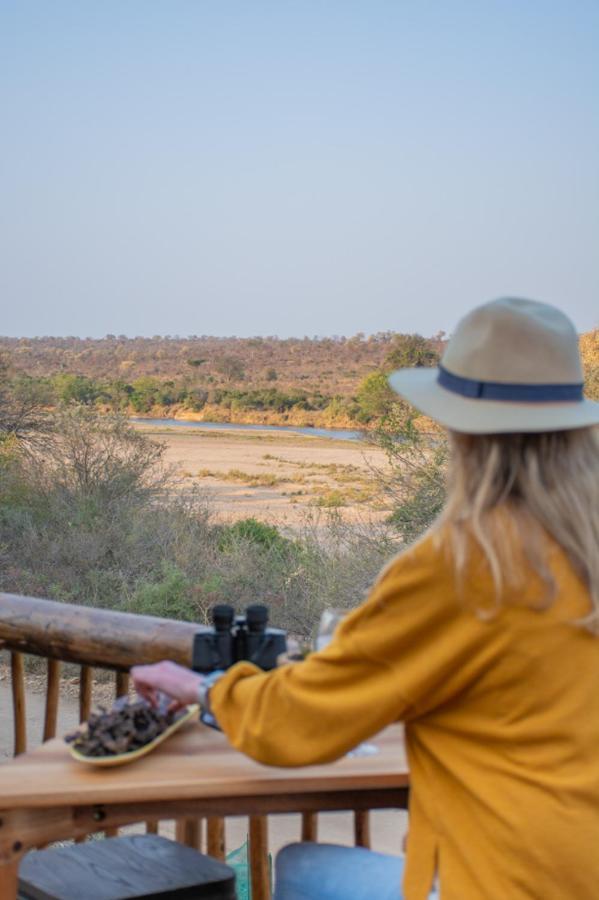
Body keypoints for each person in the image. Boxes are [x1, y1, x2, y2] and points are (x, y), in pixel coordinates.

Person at [132, 298, 599, 900]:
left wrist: (203, 688)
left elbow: (302, 720)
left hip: (506, 878)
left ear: (462, 432)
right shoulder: (580, 546)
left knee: (300, 867)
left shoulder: (468, 563)